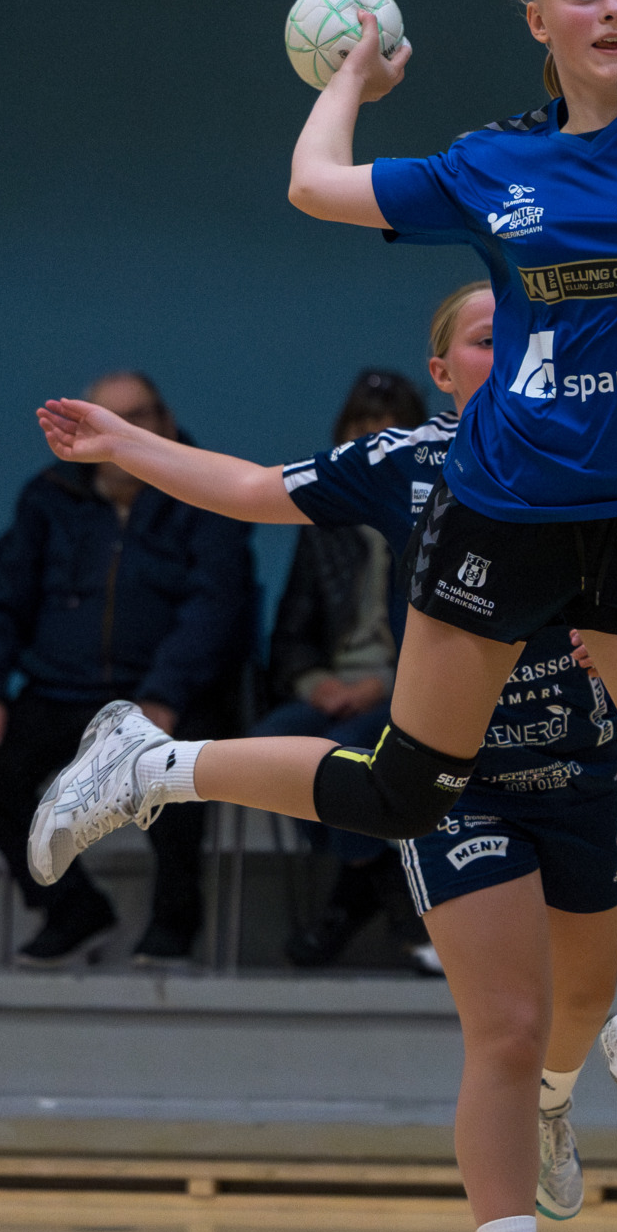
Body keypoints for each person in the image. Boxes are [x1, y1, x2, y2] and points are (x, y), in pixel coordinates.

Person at [24, 0, 617, 1219]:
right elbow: (316, 187)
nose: (613, 12)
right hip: (502, 510)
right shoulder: (496, 163)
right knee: (404, 786)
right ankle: (148, 766)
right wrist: (353, 80)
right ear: (539, 20)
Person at [34, 282, 617, 1232]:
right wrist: (128, 442)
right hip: (457, 783)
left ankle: (552, 1105)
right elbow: (253, 487)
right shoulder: (413, 460)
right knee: (506, 1027)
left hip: (582, 772)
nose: (510, 347)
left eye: (525, 330)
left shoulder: (609, 450)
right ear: (444, 372)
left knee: (581, 1005)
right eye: (484, 336)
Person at [0, 369, 254, 968]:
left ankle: (175, 920)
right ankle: (71, 909)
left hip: (168, 692)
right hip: (62, 690)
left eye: (142, 415)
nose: (127, 429)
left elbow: (216, 609)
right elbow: (0, 599)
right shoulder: (48, 497)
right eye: (111, 417)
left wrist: (162, 694)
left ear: (167, 422)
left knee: (174, 756)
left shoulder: (208, 489)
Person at [259, 366, 432, 970]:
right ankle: (373, 878)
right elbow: (290, 636)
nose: (374, 440)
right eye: (361, 427)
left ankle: (354, 894)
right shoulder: (324, 526)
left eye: (389, 427)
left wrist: (381, 685)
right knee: (271, 742)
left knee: (348, 750)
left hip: (408, 688)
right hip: (334, 689)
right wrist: (317, 684)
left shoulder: (435, 515)